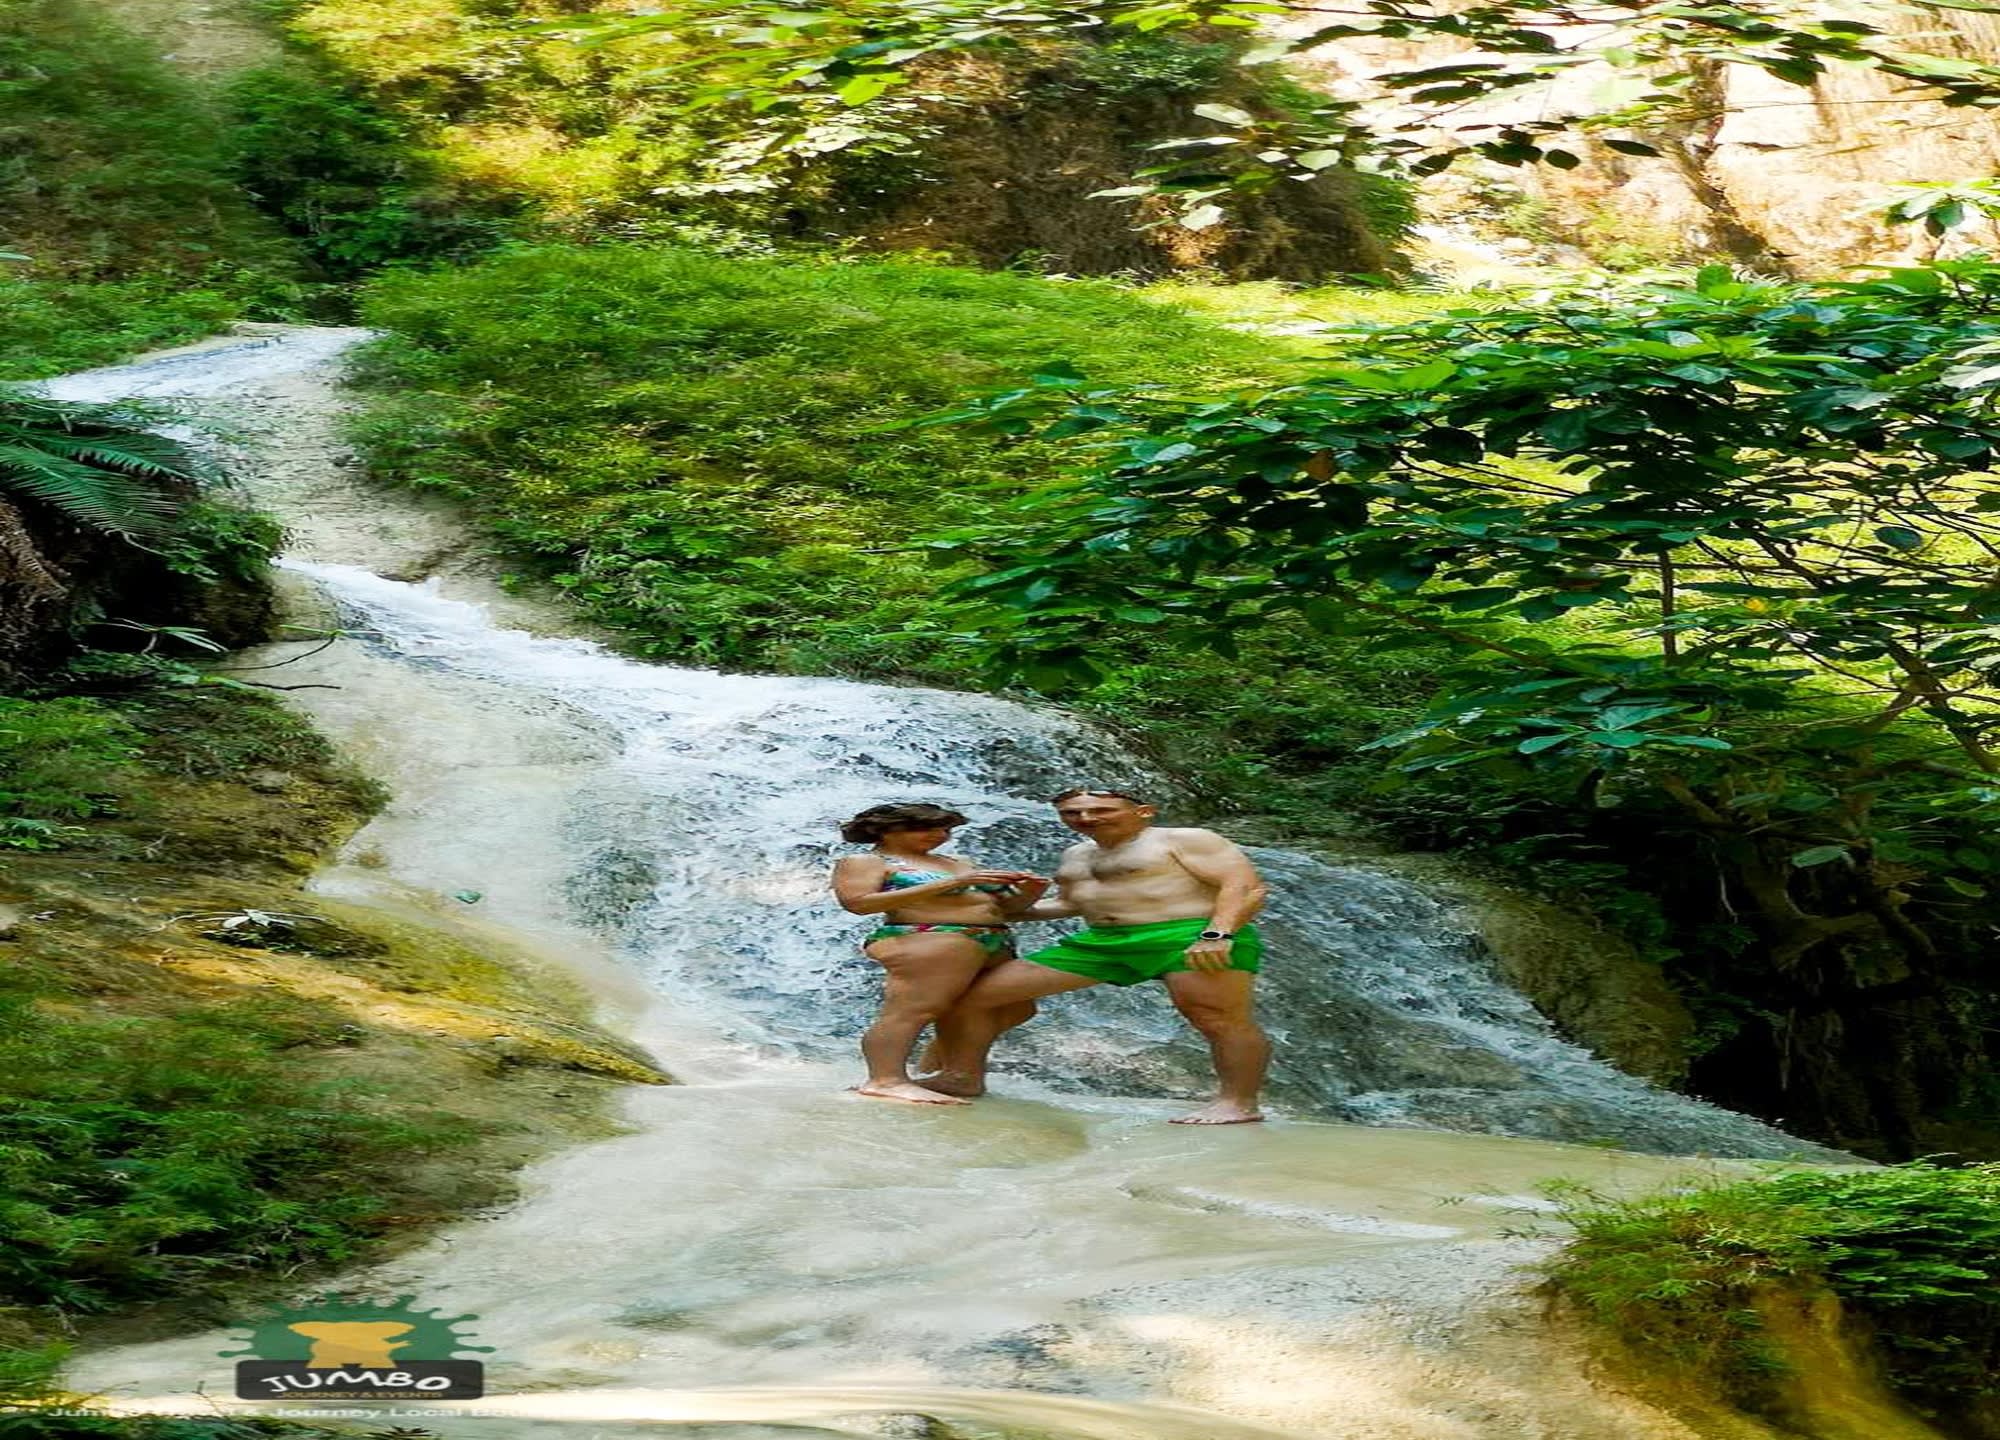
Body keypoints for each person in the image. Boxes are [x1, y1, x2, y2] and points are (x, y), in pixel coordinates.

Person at [924, 789, 1272, 1124]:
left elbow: (1246, 887)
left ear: (1144, 812)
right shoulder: (1077, 854)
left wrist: (1217, 934)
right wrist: (995, 909)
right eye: (1071, 813)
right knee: (974, 996)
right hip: (1102, 940)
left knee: (1218, 1020)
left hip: (1186, 933)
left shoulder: (1183, 839)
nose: (1086, 818)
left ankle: (1238, 1103)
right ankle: (962, 1077)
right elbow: (1068, 905)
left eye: (1102, 810)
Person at [830, 802, 1048, 1106]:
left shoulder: (958, 862)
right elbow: (859, 903)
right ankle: (885, 1080)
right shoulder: (867, 861)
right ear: (884, 830)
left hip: (993, 938)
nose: (939, 835)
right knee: (913, 1010)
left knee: (1012, 1007)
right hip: (929, 937)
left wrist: (1030, 893)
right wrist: (955, 882)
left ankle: (957, 1076)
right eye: (925, 828)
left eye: (945, 829)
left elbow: (1002, 909)